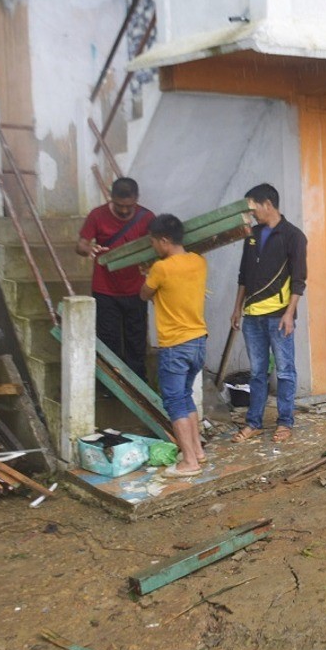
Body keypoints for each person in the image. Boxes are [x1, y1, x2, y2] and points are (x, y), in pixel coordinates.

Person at [231, 184, 308, 444]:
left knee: (285, 370)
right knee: (257, 372)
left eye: (253, 209)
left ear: (267, 204)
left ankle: (285, 422)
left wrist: (290, 313)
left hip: (279, 316)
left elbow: (299, 280)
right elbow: (243, 275)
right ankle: (254, 422)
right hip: (252, 316)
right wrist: (237, 308)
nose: (251, 215)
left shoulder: (293, 235)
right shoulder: (252, 235)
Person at [139, 214, 208, 477]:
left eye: (153, 242)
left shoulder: (161, 268)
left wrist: (146, 275)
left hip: (175, 345)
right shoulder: (199, 262)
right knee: (185, 396)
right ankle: (197, 452)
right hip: (199, 341)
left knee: (174, 401)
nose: (153, 247)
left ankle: (189, 461)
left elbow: (144, 294)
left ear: (164, 241)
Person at [76, 178, 155, 382]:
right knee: (108, 339)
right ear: (111, 198)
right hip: (105, 289)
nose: (124, 211)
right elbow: (81, 245)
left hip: (136, 289)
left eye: (129, 206)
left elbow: (157, 248)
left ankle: (138, 383)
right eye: (119, 206)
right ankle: (111, 385)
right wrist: (90, 249)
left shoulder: (147, 218)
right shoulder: (97, 215)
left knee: (136, 340)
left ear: (136, 199)